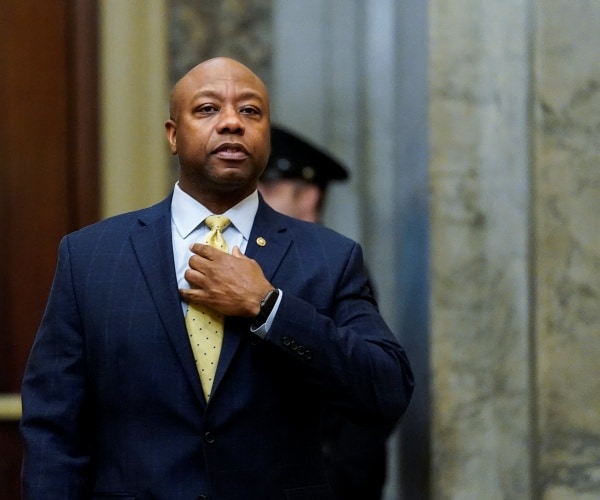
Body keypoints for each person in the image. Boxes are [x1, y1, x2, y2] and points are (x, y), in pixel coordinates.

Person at [20, 57, 414, 500]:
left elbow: (387, 390)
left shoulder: (330, 257)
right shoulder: (91, 256)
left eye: (250, 111)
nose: (231, 123)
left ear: (264, 133)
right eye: (207, 109)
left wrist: (271, 308)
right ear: (172, 135)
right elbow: (53, 426)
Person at [259, 126, 392, 500]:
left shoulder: (336, 269)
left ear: (309, 196)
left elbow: (372, 384)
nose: (256, 201)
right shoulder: (249, 262)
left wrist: (339, 479)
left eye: (269, 189)